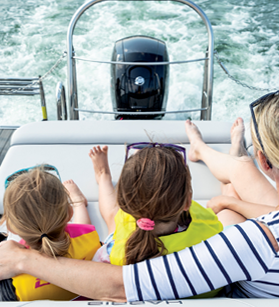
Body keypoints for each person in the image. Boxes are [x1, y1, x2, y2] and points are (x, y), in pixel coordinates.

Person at [0, 92, 279, 301]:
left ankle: (219, 155)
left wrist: (22, 260)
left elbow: (120, 285)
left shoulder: (254, 241)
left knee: (230, 186)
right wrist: (227, 202)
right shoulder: (211, 226)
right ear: (187, 202)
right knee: (228, 193)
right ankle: (220, 155)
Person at [89, 143, 223, 297]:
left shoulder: (117, 257)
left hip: (127, 252)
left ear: (125, 204)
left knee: (113, 217)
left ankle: (103, 175)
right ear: (187, 203)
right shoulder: (212, 233)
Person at [0, 166, 100, 301]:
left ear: (11, 228)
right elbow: (84, 227)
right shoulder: (89, 238)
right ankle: (78, 203)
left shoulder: (11, 277)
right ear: (70, 213)